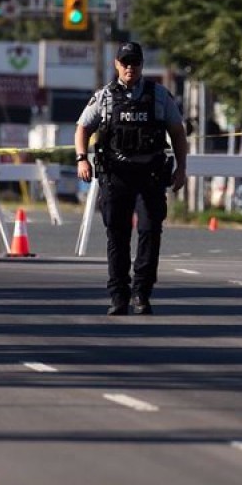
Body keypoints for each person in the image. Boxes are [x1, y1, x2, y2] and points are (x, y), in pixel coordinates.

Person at [75, 41, 188, 316]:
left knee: (150, 231)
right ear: (116, 64)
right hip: (116, 175)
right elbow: (82, 127)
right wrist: (81, 158)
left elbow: (177, 133)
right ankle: (118, 295)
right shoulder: (104, 96)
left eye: (134, 62)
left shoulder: (159, 95)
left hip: (149, 174)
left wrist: (182, 168)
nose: (129, 67)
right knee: (117, 233)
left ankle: (142, 293)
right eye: (124, 62)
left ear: (141, 66)